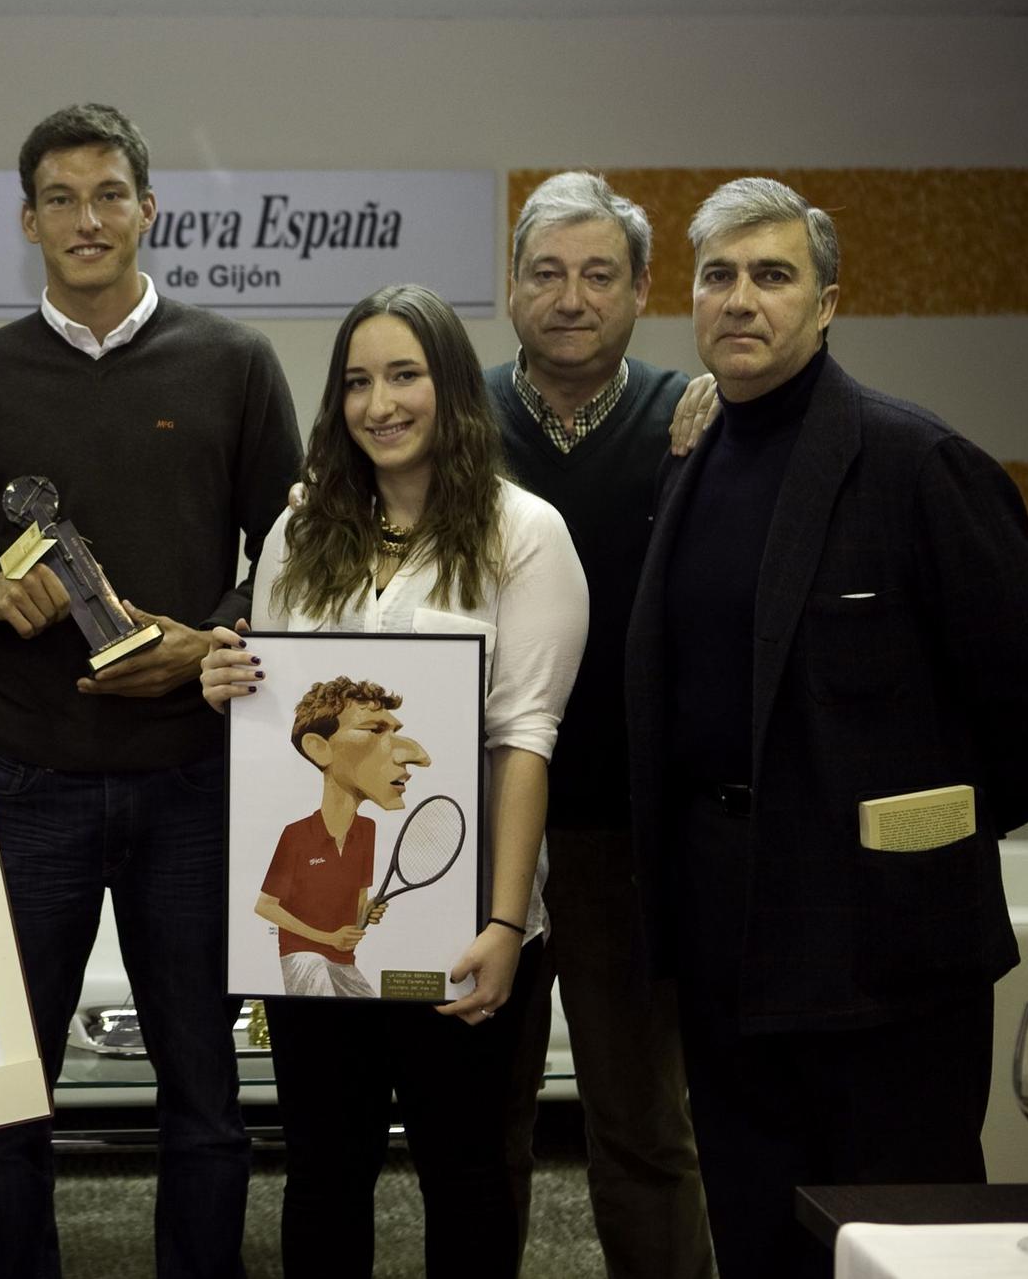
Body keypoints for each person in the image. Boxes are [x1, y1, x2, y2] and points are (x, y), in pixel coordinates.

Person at [625, 177, 1028, 1277]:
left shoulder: (918, 465)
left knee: (897, 1238)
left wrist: (908, 842)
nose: (740, 298)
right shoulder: (690, 459)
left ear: (825, 304)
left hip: (884, 949)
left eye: (772, 274)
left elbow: (1025, 719)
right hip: (725, 931)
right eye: (717, 274)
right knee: (756, 1222)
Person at [0, 103, 301, 1279]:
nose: (88, 220)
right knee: (7, 1085)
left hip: (193, 781)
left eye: (109, 194)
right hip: (27, 784)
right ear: (28, 220)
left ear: (149, 208)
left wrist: (210, 638)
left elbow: (290, 558)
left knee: (203, 1088)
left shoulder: (233, 362)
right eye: (62, 200)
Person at [202, 283, 588, 1277]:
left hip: (462, 933)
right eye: (356, 381)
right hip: (322, 941)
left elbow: (522, 743)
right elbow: (289, 714)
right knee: (322, 1175)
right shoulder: (298, 535)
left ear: (451, 387)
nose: (379, 403)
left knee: (467, 1177)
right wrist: (229, 677)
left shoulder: (524, 534)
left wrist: (502, 927)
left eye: (403, 375)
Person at [486, 171, 715, 1277]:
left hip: (632, 829)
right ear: (510, 287)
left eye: (595, 274)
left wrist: (735, 402)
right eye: (545, 273)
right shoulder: (453, 417)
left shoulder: (694, 417)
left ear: (638, 290)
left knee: (640, 1124)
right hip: (479, 830)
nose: (568, 297)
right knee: (483, 1127)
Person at [256, 677, 428, 997]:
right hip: (305, 958)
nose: (419, 757)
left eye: (395, 732)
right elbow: (266, 907)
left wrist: (367, 911)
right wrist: (326, 938)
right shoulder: (295, 835)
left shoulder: (367, 831)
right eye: (374, 731)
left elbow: (357, 911)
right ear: (319, 748)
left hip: (343, 959)